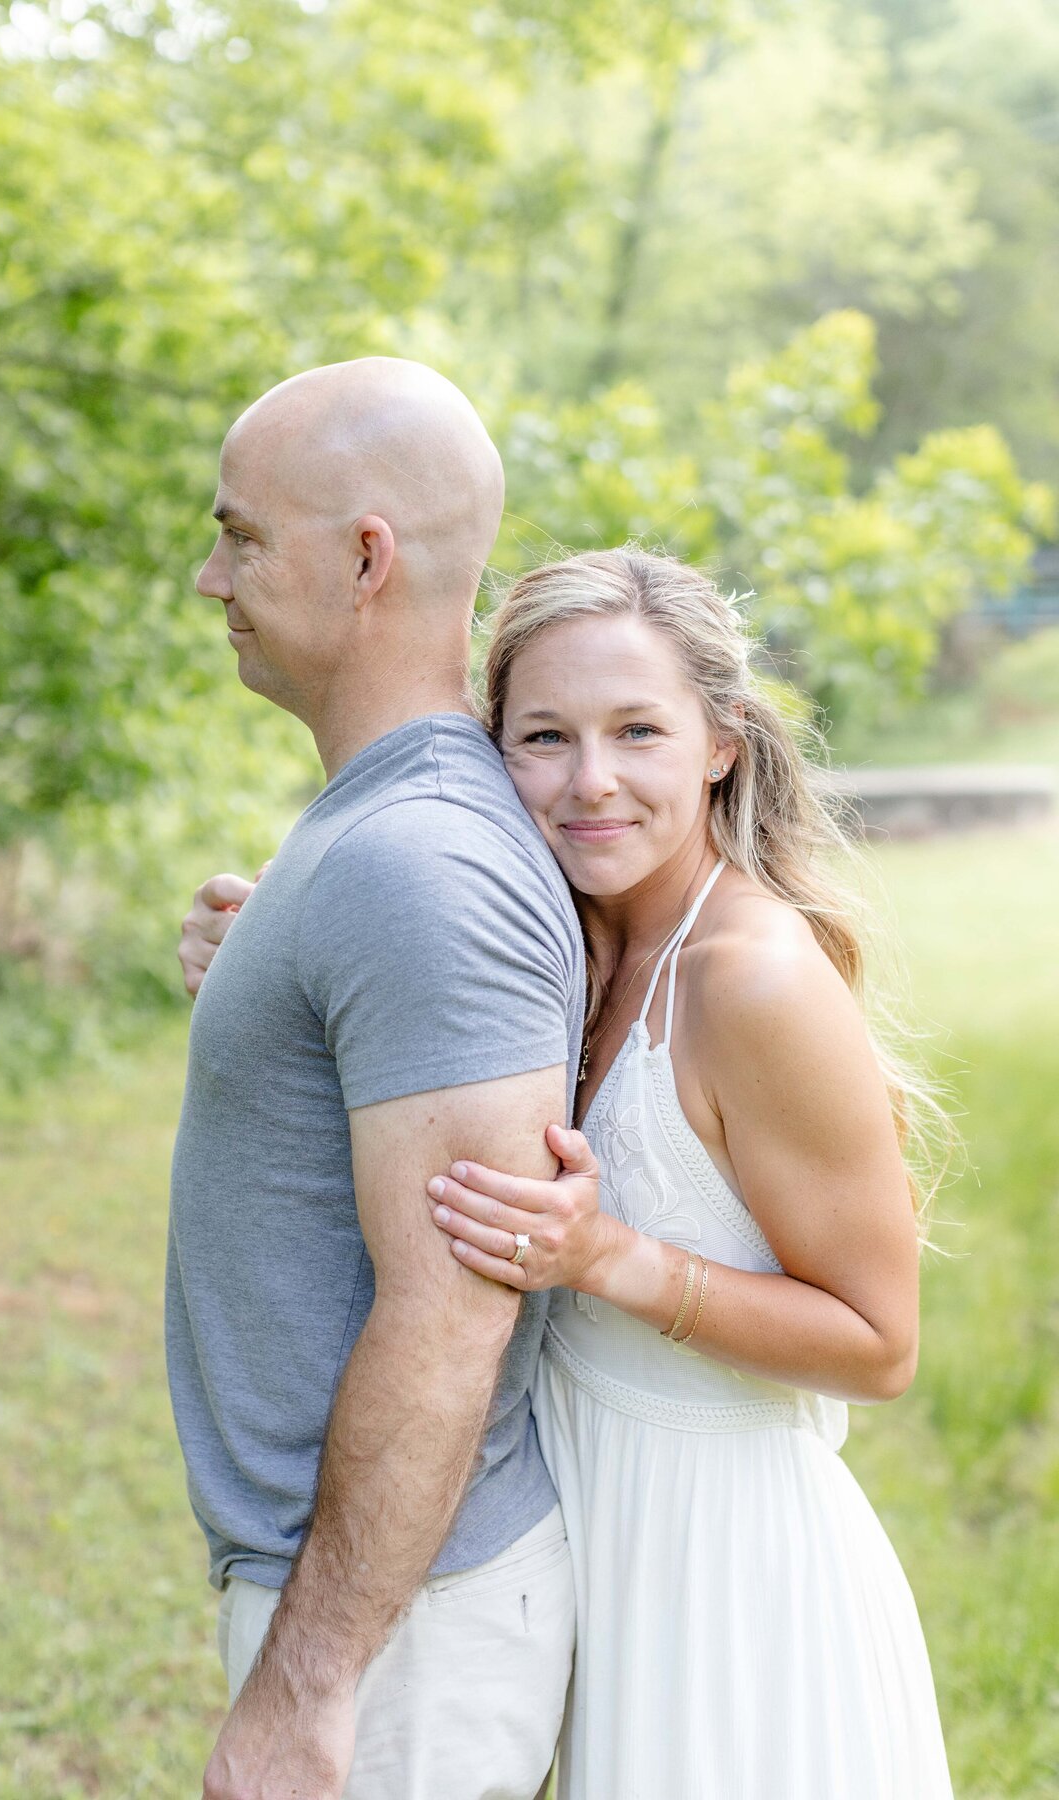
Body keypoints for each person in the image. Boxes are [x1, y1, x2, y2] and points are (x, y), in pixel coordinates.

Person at [188, 547, 954, 1798]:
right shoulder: (573, 933)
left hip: (733, 1582)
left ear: (721, 743)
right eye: (544, 737)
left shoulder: (750, 977)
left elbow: (881, 1343)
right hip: (591, 1538)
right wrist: (279, 946)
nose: (591, 781)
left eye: (638, 731)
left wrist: (617, 1259)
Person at [166, 357, 585, 1800]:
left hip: (403, 1635)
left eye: (240, 535)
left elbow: (452, 1310)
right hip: (383, 1607)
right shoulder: (384, 834)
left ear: (365, 560)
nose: (208, 576)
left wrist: (309, 1682)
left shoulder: (421, 867)